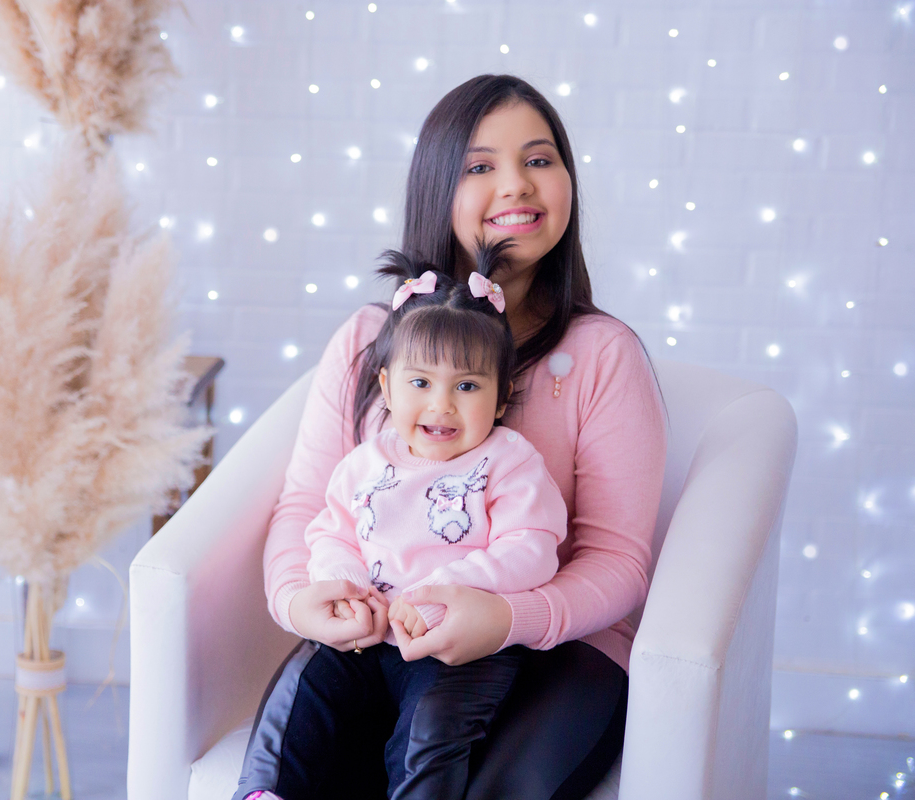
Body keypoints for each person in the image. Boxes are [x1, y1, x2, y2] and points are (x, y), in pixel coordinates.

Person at [245, 74, 667, 800]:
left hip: (561, 647)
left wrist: (506, 615)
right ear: (438, 185)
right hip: (388, 634)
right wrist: (300, 598)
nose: (517, 185)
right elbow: (308, 507)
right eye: (480, 166)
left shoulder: (604, 355)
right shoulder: (366, 342)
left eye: (540, 160)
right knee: (296, 754)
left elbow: (618, 563)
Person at [235, 243, 569, 800]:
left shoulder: (508, 461)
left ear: (502, 395)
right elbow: (330, 531)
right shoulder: (367, 461)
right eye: (420, 383)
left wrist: (447, 590)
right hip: (368, 635)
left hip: (458, 646)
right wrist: (343, 589)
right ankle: (266, 791)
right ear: (387, 388)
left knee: (432, 730)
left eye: (467, 386)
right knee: (302, 686)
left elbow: (531, 548)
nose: (442, 406)